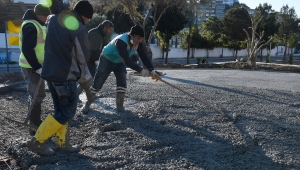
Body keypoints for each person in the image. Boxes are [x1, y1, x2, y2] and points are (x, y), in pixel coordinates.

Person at [27, 0, 94, 156]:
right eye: (88, 19)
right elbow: (83, 56)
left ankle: (63, 144)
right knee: (67, 112)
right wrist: (86, 80)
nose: (87, 22)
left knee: (61, 110)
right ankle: (37, 141)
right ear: (84, 16)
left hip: (51, 74)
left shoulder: (53, 20)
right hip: (66, 75)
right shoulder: (78, 27)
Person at [89, 25, 159, 112]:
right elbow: (127, 61)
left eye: (141, 38)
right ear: (132, 36)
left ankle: (120, 107)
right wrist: (141, 70)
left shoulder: (138, 43)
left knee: (122, 83)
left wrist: (151, 69)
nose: (140, 40)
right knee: (98, 84)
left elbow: (143, 56)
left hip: (119, 62)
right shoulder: (121, 41)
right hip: (107, 59)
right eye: (138, 38)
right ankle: (88, 102)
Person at [18, 4, 51, 135]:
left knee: (37, 94)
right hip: (30, 67)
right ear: (38, 15)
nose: (45, 19)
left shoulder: (40, 24)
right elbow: (27, 49)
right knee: (36, 95)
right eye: (44, 16)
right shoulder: (30, 26)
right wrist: (37, 67)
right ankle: (34, 126)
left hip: (37, 66)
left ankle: (35, 121)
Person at [79, 20, 114, 114]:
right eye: (109, 29)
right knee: (87, 79)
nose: (110, 31)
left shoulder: (97, 32)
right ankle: (77, 97)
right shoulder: (96, 34)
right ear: (105, 27)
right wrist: (96, 61)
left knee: (86, 79)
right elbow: (93, 51)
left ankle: (83, 96)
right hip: (88, 60)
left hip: (88, 59)